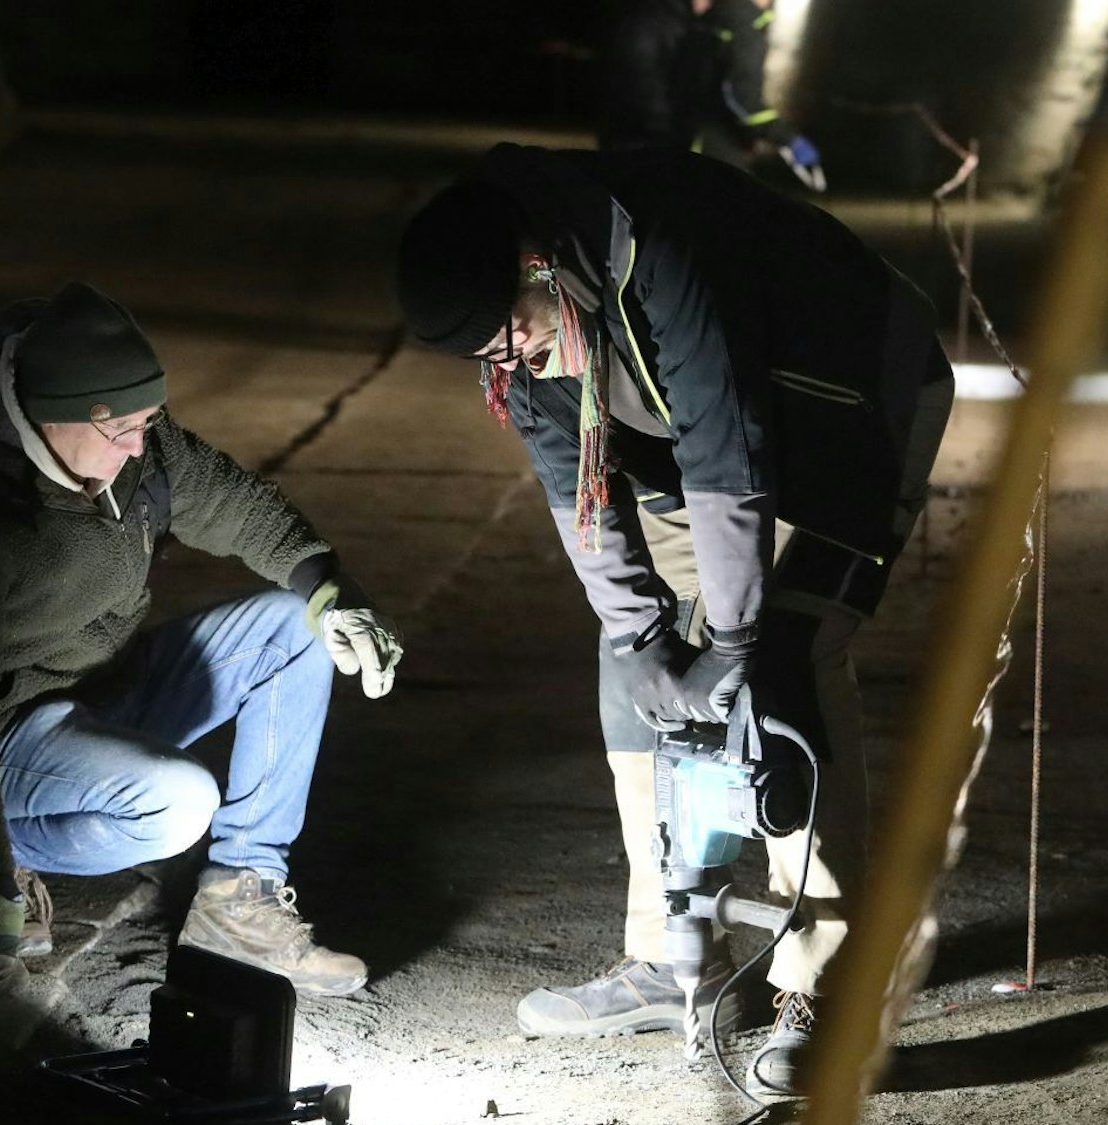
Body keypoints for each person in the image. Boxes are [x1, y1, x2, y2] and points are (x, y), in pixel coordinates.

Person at [393, 144, 953, 1093]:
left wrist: (731, 644)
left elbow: (727, 442)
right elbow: (578, 492)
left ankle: (824, 989)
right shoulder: (523, 319)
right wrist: (644, 637)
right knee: (636, 674)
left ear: (536, 264)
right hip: (694, 437)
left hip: (848, 407)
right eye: (492, 355)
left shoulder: (664, 248)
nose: (514, 358)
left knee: (783, 663)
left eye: (513, 335)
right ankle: (674, 953)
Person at [0, 281, 402, 997]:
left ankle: (239, 902)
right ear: (51, 417)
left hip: (97, 689)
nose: (136, 446)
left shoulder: (137, 447)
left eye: (146, 422)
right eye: (120, 429)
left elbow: (236, 503)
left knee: (295, 624)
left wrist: (333, 590)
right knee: (180, 803)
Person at [599, 0, 826, 192]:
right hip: (644, 144)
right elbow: (741, 99)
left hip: (677, 142)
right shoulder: (652, 23)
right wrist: (786, 137)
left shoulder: (705, 22)